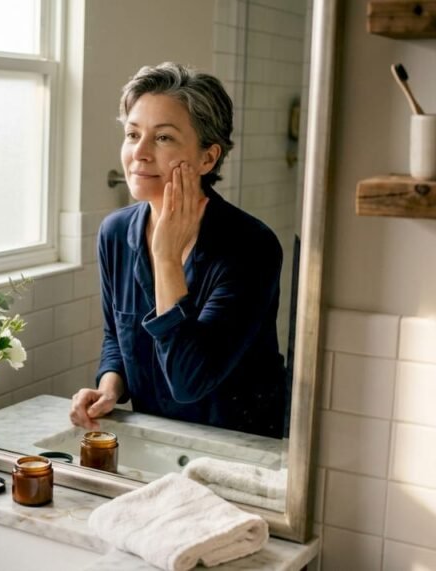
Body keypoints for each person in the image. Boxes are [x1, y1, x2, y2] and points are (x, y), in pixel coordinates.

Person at [70, 62, 287, 439]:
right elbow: (117, 338)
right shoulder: (116, 232)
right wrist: (109, 388)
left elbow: (190, 382)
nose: (140, 153)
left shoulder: (251, 247)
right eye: (132, 134)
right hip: (155, 440)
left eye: (164, 138)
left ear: (207, 158)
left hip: (238, 449)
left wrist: (167, 257)